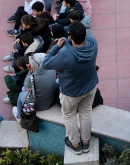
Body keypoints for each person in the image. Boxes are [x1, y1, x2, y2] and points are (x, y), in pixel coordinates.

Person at [42, 21, 98, 155]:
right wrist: (68, 41)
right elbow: (84, 39)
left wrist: (57, 46)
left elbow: (45, 63)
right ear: (85, 34)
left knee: (69, 115)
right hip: (90, 87)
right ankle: (86, 143)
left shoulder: (65, 54)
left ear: (70, 37)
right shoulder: (93, 43)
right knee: (86, 112)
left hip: (71, 93)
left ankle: (75, 144)